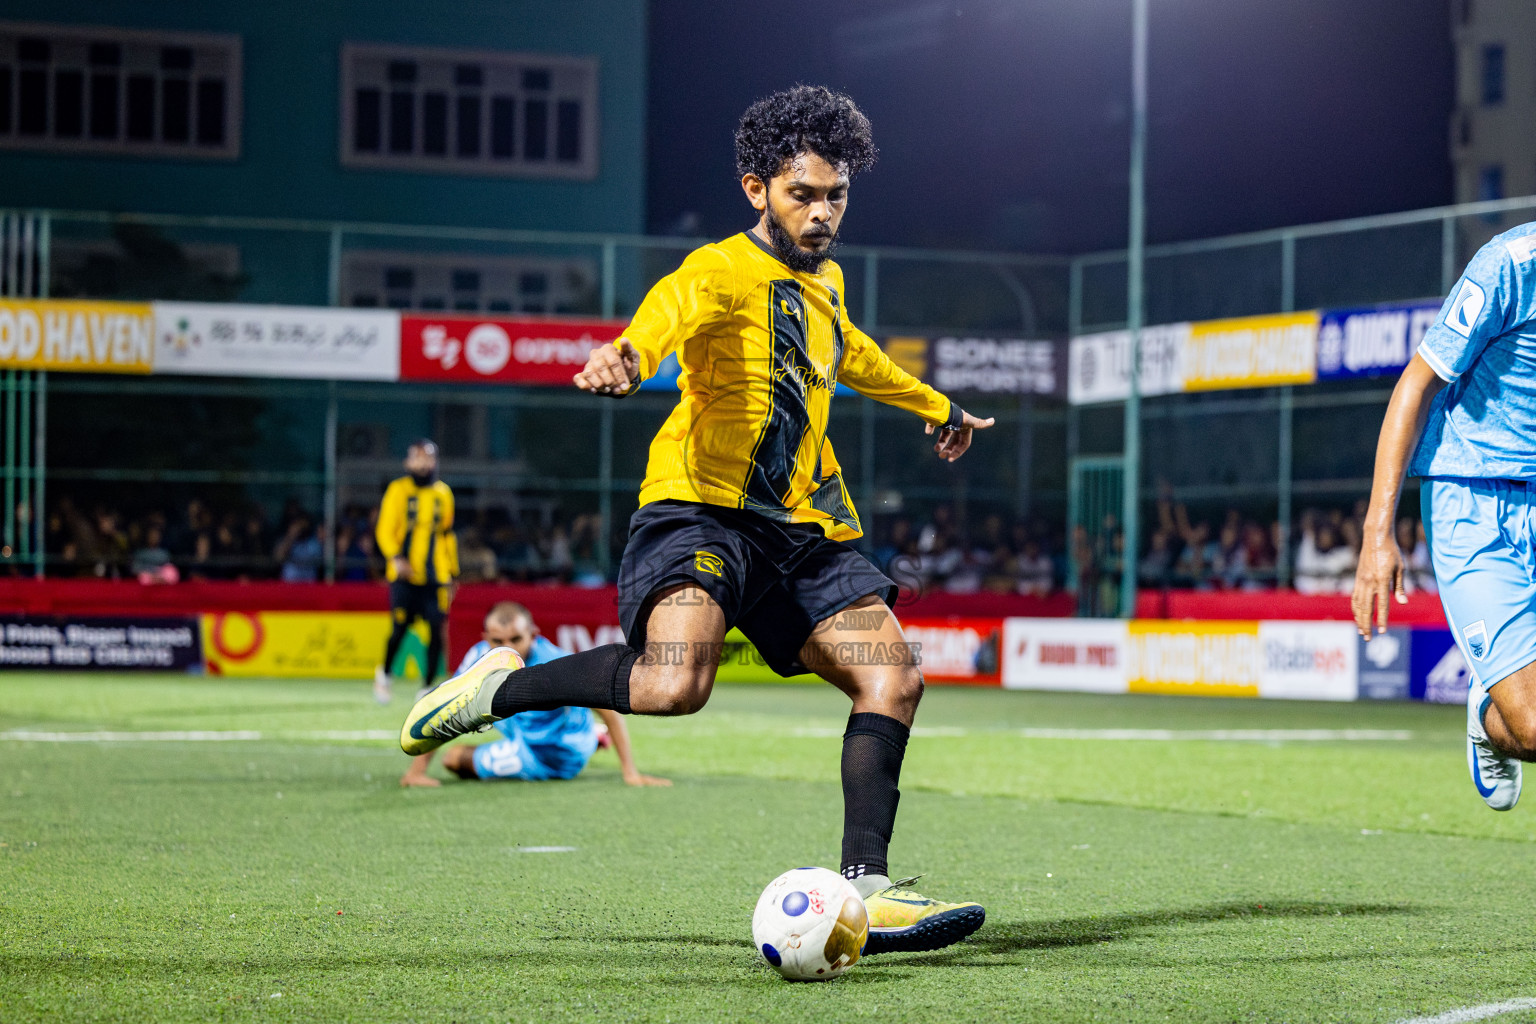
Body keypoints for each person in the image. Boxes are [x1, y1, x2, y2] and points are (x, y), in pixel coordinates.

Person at [401, 86, 993, 955]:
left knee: (893, 678)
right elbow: (667, 310)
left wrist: (938, 405)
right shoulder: (720, 268)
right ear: (758, 189)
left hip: (800, 527)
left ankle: (867, 890)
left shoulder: (825, 280)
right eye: (803, 194)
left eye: (836, 195)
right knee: (674, 686)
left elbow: (854, 355)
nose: (822, 213)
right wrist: (628, 353)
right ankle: (497, 688)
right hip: (701, 510)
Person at [1354, 220, 1536, 812]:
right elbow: (1415, 385)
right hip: (1471, 499)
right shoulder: (1509, 264)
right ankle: (1488, 718)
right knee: (1532, 728)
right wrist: (1377, 533)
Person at [401, 602, 669, 789]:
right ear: (485, 637)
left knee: (454, 759)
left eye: (516, 639)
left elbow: (608, 710)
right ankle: (593, 737)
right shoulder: (478, 657)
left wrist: (630, 773)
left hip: (553, 755)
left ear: (533, 634)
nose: (507, 648)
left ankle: (588, 739)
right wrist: (417, 772)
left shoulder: (554, 662)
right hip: (528, 730)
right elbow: (448, 708)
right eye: (498, 641)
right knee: (477, 703)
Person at [373, 439, 458, 710]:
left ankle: (427, 687)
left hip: (436, 577)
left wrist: (453, 572)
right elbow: (385, 528)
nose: (423, 463)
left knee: (435, 630)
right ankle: (384, 675)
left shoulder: (443, 493)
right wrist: (396, 558)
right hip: (404, 576)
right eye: (417, 458)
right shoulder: (398, 490)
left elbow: (447, 534)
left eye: (428, 458)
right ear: (408, 462)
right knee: (399, 628)